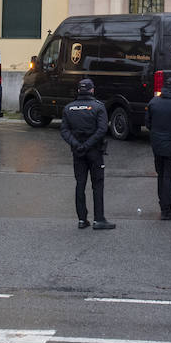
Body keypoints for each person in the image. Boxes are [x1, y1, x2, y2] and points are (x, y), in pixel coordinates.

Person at [60, 78, 114, 230]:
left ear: (78, 91)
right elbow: (102, 129)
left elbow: (64, 130)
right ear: (92, 90)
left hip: (78, 152)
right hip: (95, 151)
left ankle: (82, 219)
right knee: (97, 184)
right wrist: (88, 145)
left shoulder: (69, 108)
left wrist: (77, 145)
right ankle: (99, 219)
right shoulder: (98, 107)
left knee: (80, 184)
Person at [145, 73, 171, 220]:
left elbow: (148, 124)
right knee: (169, 178)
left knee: (161, 176)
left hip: (157, 146)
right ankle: (166, 210)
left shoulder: (154, 101)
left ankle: (163, 205)